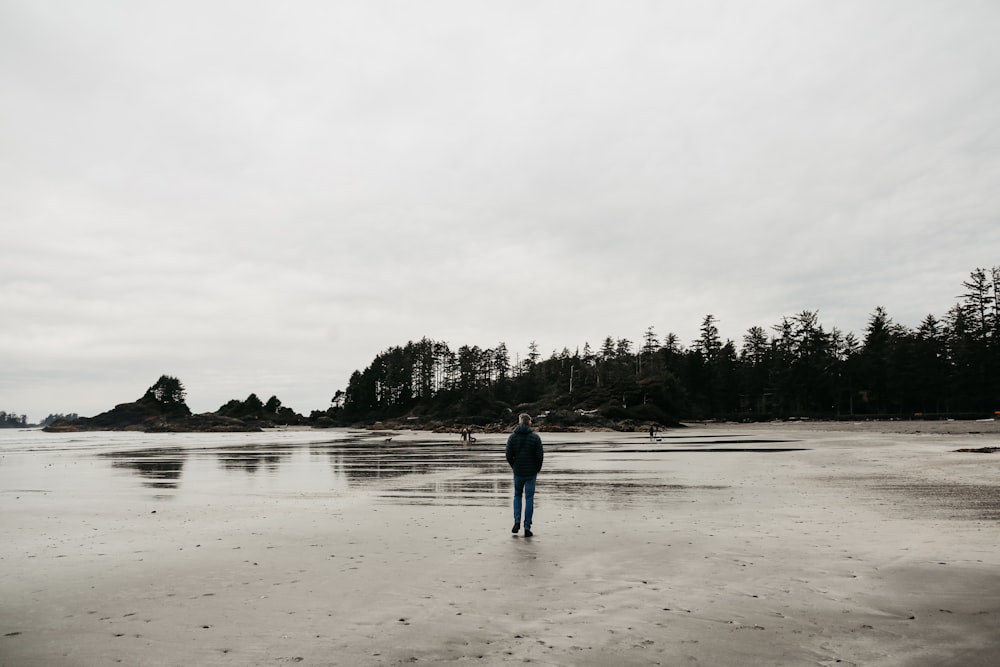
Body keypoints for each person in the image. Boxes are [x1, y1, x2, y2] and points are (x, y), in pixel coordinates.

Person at [505, 413, 544, 537]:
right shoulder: (535, 438)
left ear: (519, 422)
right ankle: (527, 527)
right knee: (529, 498)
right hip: (531, 472)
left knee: (517, 496)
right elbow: (539, 456)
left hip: (518, 471)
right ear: (530, 423)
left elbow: (508, 454)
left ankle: (517, 521)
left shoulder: (512, 437)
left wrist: (514, 466)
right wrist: (537, 469)